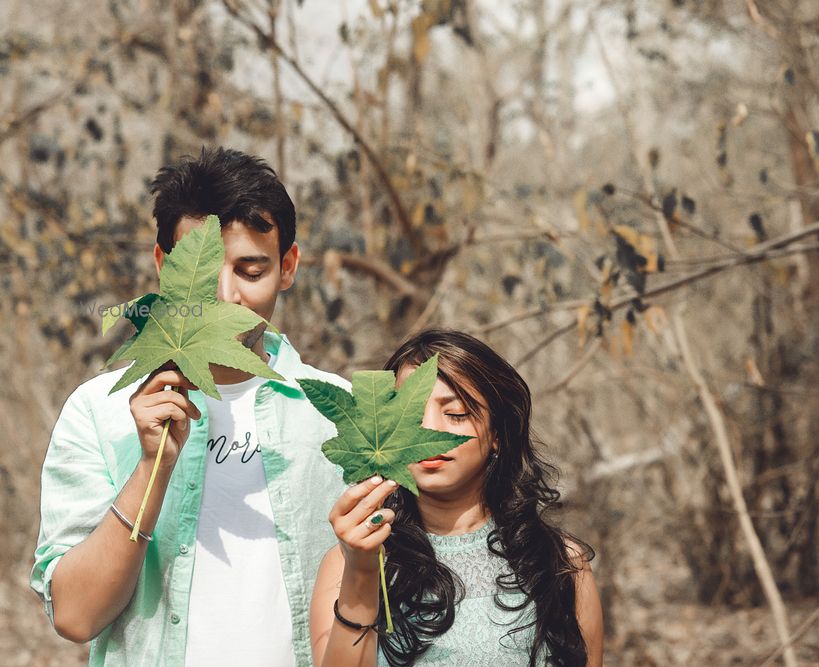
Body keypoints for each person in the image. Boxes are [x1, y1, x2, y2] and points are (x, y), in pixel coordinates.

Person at [30, 147, 351, 666]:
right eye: (200, 276)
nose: (226, 296)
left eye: (251, 270)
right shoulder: (99, 410)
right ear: (162, 267)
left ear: (288, 267)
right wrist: (151, 468)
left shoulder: (339, 412)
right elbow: (75, 616)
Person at [310, 329, 604, 666]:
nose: (431, 430)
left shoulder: (560, 562)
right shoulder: (348, 562)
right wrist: (361, 573)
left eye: (457, 413)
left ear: (497, 434)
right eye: (411, 415)